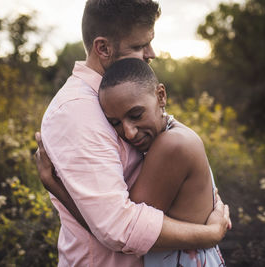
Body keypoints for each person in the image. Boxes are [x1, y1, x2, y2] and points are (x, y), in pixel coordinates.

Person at [36, 0, 231, 266]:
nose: (151, 53)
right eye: (139, 46)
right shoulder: (76, 111)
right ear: (103, 47)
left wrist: (211, 198)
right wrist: (209, 233)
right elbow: (118, 228)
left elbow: (175, 148)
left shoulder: (123, 93)